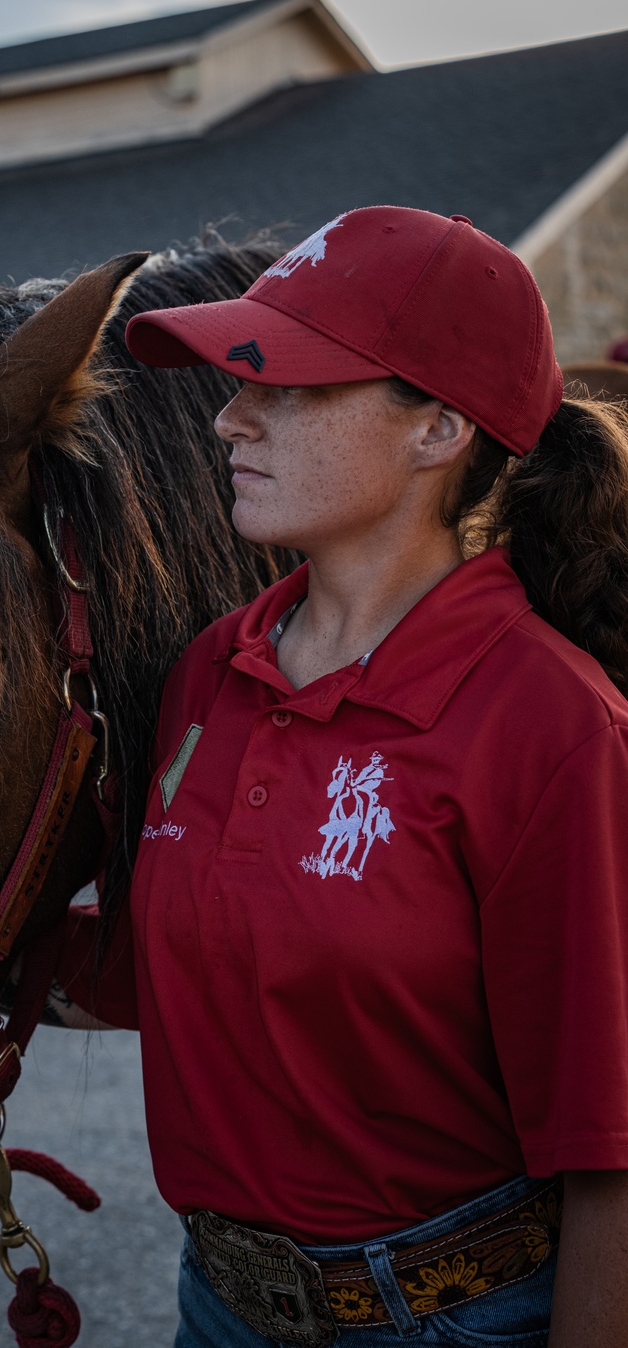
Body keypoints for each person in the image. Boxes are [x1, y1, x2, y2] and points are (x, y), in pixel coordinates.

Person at [55, 206, 628, 1347]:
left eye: (291, 387)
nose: (227, 419)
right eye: (235, 382)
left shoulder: (550, 724)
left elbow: (607, 1144)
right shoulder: (209, 673)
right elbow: (184, 972)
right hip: (212, 1306)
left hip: (452, 1322)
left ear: (437, 429)